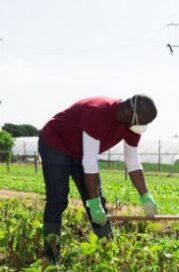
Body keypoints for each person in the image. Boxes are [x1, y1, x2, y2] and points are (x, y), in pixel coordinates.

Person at [38, 95, 158, 263]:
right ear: (130, 111)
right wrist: (93, 203)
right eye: (143, 121)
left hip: (82, 153)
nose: (143, 126)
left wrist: (145, 196)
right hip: (56, 144)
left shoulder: (132, 124)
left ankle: (110, 256)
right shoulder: (98, 112)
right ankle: (51, 258)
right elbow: (89, 161)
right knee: (57, 200)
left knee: (98, 202)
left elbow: (132, 161)